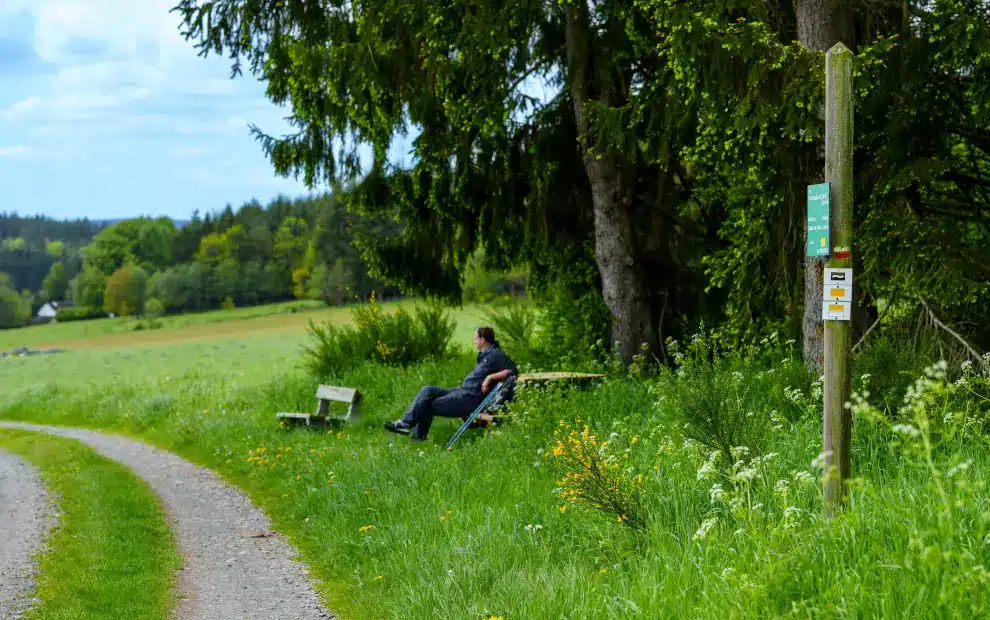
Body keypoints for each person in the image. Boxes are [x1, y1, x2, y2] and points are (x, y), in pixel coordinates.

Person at [384, 326, 518, 441]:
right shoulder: (485, 355)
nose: (474, 341)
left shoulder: (495, 354)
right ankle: (406, 424)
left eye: (475, 338)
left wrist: (490, 377)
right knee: (427, 390)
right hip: (462, 391)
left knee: (427, 405)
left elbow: (513, 370)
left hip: (469, 398)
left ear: (482, 340)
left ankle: (416, 438)